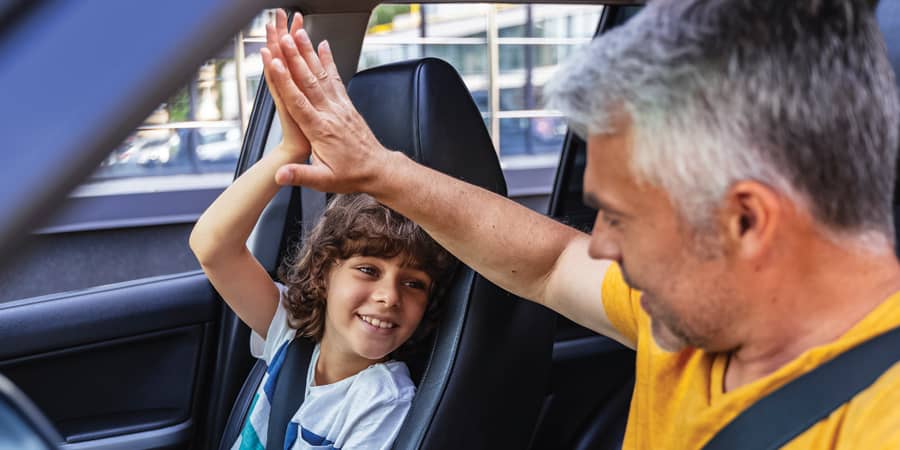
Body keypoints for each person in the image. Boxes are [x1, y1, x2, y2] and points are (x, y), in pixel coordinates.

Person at [260, 0, 900, 448]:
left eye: (619, 218)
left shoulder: (877, 421)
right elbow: (550, 262)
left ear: (745, 221)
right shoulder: (700, 302)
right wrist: (380, 172)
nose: (601, 245)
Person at [188, 12, 457, 450]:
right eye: (368, 270)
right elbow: (211, 246)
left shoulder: (382, 399)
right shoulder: (290, 332)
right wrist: (289, 150)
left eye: (414, 284)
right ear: (324, 275)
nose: (389, 296)